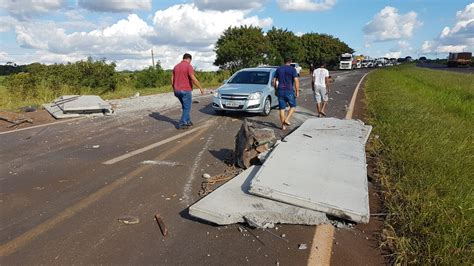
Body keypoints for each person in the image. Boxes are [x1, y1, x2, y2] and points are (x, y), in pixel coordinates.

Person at [171, 53, 204, 129]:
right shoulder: (188, 66)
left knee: (185, 106)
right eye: (190, 61)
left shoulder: (176, 67)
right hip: (185, 90)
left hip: (177, 90)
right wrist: (200, 88)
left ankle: (188, 121)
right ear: (189, 59)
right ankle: (182, 123)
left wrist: (174, 89)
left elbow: (172, 79)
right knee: (187, 107)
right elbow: (193, 78)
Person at [273, 57, 299, 130]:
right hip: (289, 90)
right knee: (293, 106)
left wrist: (275, 89)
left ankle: (283, 126)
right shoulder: (293, 69)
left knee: (282, 109)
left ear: (284, 61)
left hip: (280, 90)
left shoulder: (278, 69)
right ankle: (287, 120)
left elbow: (274, 81)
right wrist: (297, 91)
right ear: (290, 62)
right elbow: (296, 81)